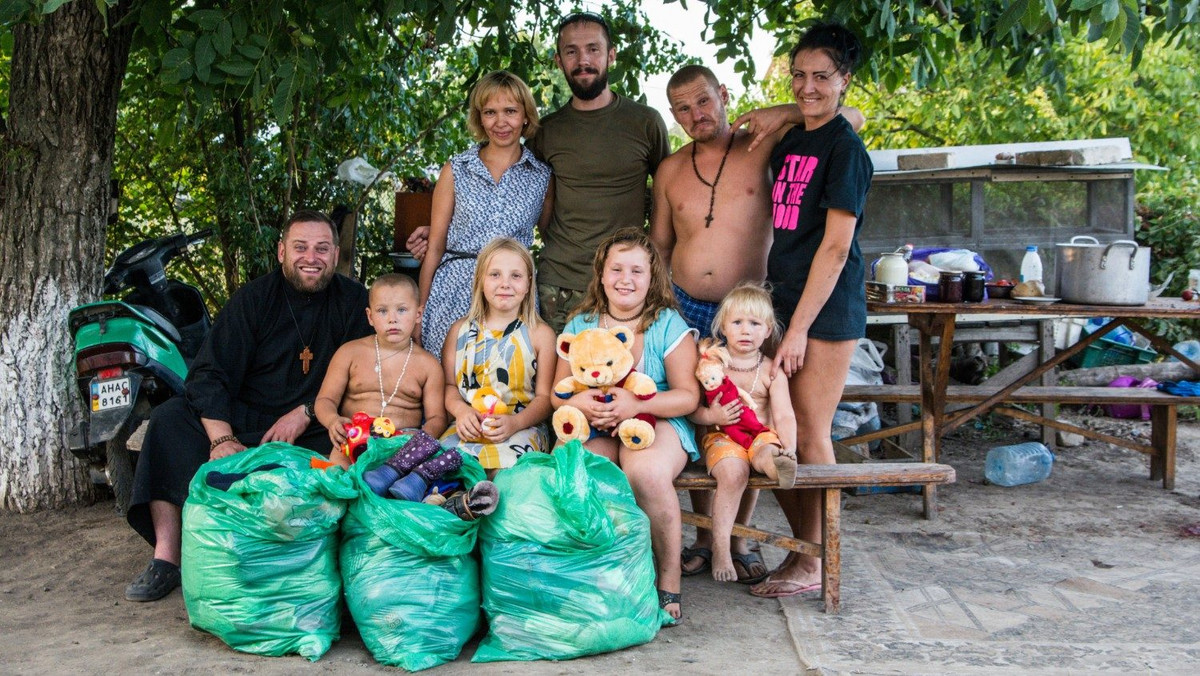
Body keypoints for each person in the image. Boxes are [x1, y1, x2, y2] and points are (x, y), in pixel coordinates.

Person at [650, 64, 863, 583]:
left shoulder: (764, 141)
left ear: (723, 96)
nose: (695, 115)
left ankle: (742, 540)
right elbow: (659, 244)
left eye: (703, 101)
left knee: (753, 416)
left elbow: (848, 117)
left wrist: (784, 110)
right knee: (704, 418)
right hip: (687, 309)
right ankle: (706, 539)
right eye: (682, 108)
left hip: (748, 309)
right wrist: (663, 313)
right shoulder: (671, 169)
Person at [123, 210, 373, 602]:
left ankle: (313, 558)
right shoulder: (253, 300)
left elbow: (368, 376)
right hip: (244, 419)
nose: (311, 257)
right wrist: (221, 437)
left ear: (336, 253)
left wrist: (307, 410)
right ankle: (166, 559)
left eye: (322, 248)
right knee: (168, 420)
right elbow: (209, 375)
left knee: (357, 440)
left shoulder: (356, 302)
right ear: (280, 252)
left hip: (313, 424)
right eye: (300, 247)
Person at [749, 23, 874, 599]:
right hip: (783, 297)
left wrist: (797, 330)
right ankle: (807, 550)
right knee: (775, 432)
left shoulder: (847, 152)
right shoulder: (797, 138)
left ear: (844, 81)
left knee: (811, 433)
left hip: (824, 307)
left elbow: (836, 246)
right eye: (798, 76)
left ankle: (819, 560)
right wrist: (787, 110)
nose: (807, 87)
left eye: (821, 76)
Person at [551, 228, 699, 622]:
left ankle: (668, 577)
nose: (625, 279)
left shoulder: (667, 324)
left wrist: (635, 402)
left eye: (637, 270)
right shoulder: (580, 325)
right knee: (585, 473)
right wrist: (580, 401)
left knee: (645, 473)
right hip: (596, 424)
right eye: (616, 268)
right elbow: (557, 394)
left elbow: (688, 395)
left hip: (657, 421)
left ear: (652, 279)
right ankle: (607, 575)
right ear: (601, 274)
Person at [528, 11, 671, 331]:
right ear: (558, 60)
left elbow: (672, 194)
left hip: (626, 284)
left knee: (623, 381)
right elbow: (522, 200)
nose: (583, 60)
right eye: (571, 51)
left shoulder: (645, 122)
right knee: (558, 382)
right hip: (559, 283)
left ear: (611, 55)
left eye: (593, 49)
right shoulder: (545, 131)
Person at [414, 70, 552, 356]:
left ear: (526, 115)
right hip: (454, 290)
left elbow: (551, 238)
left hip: (511, 292)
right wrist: (420, 309)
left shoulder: (541, 177)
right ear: (480, 117)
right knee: (448, 380)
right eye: (490, 112)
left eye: (510, 111)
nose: (500, 122)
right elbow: (436, 246)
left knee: (509, 380)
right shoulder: (456, 170)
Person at [689, 283, 797, 582]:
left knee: (766, 451)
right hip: (721, 438)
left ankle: (779, 465)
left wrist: (790, 446)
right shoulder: (711, 365)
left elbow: (785, 414)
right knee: (734, 472)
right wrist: (711, 415)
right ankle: (721, 548)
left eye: (754, 324)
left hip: (759, 434)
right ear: (723, 326)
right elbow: (690, 407)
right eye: (737, 323)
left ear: (768, 330)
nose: (745, 330)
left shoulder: (771, 371)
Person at [440, 237, 556, 473]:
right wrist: (462, 412)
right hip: (468, 425)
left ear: (528, 284)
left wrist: (515, 423)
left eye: (516, 276)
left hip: (522, 427)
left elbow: (545, 399)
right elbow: (450, 387)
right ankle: (451, 500)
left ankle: (482, 500)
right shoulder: (459, 331)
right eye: (495, 275)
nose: (505, 284)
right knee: (443, 462)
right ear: (480, 281)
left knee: (504, 469)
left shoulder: (540, 334)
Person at [313, 273, 447, 466]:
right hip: (353, 441)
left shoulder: (428, 365)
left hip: (403, 447)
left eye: (402, 310)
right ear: (370, 316)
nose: (392, 319)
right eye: (382, 311)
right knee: (337, 478)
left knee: (402, 484)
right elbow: (325, 399)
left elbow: (437, 418)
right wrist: (333, 420)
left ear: (418, 314)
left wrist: (419, 440)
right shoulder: (350, 353)